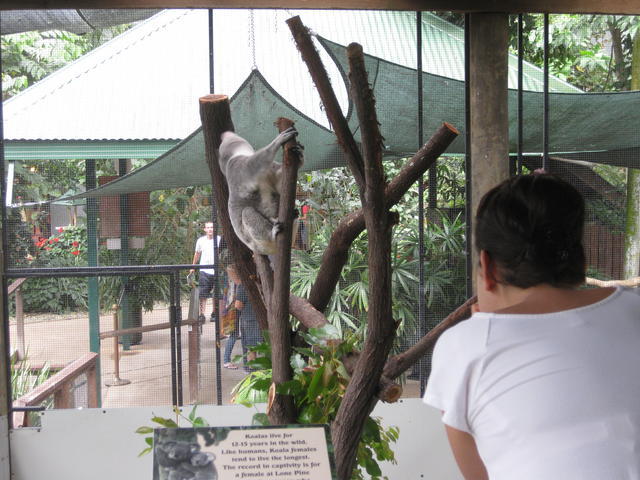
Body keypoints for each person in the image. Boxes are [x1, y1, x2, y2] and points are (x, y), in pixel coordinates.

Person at [424, 173, 640, 480]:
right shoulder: (633, 309)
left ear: (487, 267)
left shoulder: (465, 344)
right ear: (581, 260)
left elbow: (478, 475)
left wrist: (483, 330)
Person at [189, 221, 222, 322]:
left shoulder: (219, 239)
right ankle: (202, 314)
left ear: (214, 229)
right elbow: (197, 254)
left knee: (216, 294)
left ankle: (214, 313)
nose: (210, 229)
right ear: (205, 229)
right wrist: (193, 267)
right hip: (204, 271)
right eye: (208, 227)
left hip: (217, 270)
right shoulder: (200, 241)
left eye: (211, 227)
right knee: (202, 294)